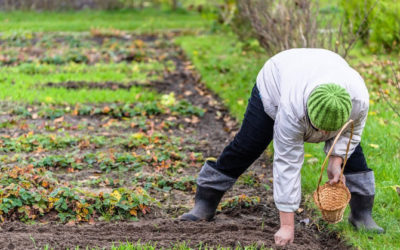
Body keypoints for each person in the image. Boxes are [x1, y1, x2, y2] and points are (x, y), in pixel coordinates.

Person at [180, 48, 384, 246]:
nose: (323, 136)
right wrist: (287, 225)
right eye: (319, 128)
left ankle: (361, 214)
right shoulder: (292, 108)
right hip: (276, 81)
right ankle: (207, 199)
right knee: (248, 145)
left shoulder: (358, 100)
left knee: (353, 152)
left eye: (329, 131)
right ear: (307, 114)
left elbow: (352, 132)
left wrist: (336, 159)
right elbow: (287, 163)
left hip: (322, 68)